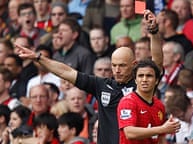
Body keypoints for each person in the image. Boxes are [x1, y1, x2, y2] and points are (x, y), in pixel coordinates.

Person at [15, 9, 164, 144]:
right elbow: (66, 72)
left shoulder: (142, 84)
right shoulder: (102, 85)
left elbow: (157, 63)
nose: (117, 70)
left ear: (134, 64)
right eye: (114, 65)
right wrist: (39, 58)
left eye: (122, 66)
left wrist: (154, 32)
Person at [117, 59, 180, 144]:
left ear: (157, 80)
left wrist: (163, 130)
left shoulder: (159, 105)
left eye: (149, 76)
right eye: (140, 76)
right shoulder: (128, 102)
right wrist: (162, 129)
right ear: (135, 80)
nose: (144, 79)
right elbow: (129, 133)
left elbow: (161, 139)